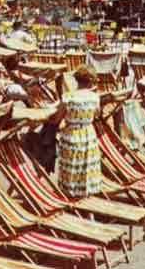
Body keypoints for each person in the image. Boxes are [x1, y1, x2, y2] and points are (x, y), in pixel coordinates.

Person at [56, 66, 102, 198]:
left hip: (72, 134)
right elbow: (97, 114)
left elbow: (58, 118)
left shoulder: (68, 97)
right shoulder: (95, 97)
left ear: (76, 80)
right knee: (86, 167)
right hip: (88, 134)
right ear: (91, 82)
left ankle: (70, 196)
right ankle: (86, 196)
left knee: (72, 168)